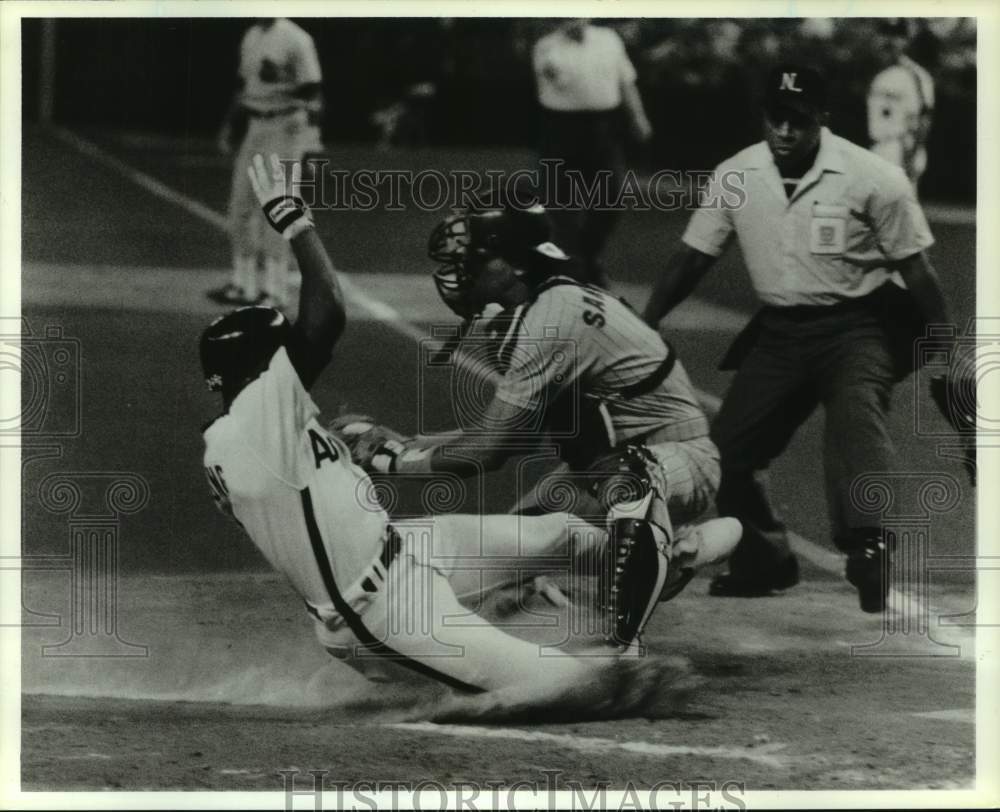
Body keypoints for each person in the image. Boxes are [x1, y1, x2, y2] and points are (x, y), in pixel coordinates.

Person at [200, 153, 673, 696]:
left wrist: (355, 446)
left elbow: (310, 499)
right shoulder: (259, 414)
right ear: (259, 366)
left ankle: (658, 559)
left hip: (411, 549)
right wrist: (295, 223)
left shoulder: (242, 438)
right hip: (383, 614)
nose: (295, 353)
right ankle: (592, 655)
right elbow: (327, 310)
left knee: (566, 533)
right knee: (580, 686)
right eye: (282, 348)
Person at [642, 65, 954, 613]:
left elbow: (919, 271)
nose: (784, 131)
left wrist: (947, 355)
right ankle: (765, 559)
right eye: (775, 118)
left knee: (857, 420)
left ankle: (870, 544)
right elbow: (693, 256)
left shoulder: (873, 177)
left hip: (858, 325)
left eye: (798, 121)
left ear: (823, 120)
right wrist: (648, 323)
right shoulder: (737, 174)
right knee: (723, 455)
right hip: (780, 331)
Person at [344, 204, 741, 606]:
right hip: (609, 470)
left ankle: (662, 571)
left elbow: (488, 451)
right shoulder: (547, 303)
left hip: (676, 463)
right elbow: (511, 433)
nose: (458, 272)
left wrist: (391, 461)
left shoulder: (552, 320)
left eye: (472, 260)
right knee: (505, 566)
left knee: (625, 498)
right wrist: (413, 442)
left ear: (513, 263)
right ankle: (663, 554)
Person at [208, 18, 323, 309]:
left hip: (286, 126)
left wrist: (312, 142)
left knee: (278, 209)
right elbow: (245, 87)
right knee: (240, 207)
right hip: (256, 125)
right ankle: (243, 285)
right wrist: (228, 126)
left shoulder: (297, 39)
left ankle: (275, 291)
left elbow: (313, 91)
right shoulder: (251, 36)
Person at [532, 19, 653, 288]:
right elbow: (558, 81)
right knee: (560, 207)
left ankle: (587, 256)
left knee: (612, 198)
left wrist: (638, 117)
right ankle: (566, 270)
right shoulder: (546, 47)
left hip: (603, 128)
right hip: (560, 128)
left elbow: (627, 82)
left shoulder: (610, 39)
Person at [867, 19, 935, 189]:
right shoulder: (878, 73)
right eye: (885, 34)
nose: (890, 41)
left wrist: (910, 159)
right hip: (878, 147)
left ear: (907, 40)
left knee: (899, 211)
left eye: (897, 35)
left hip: (900, 148)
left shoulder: (916, 75)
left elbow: (923, 120)